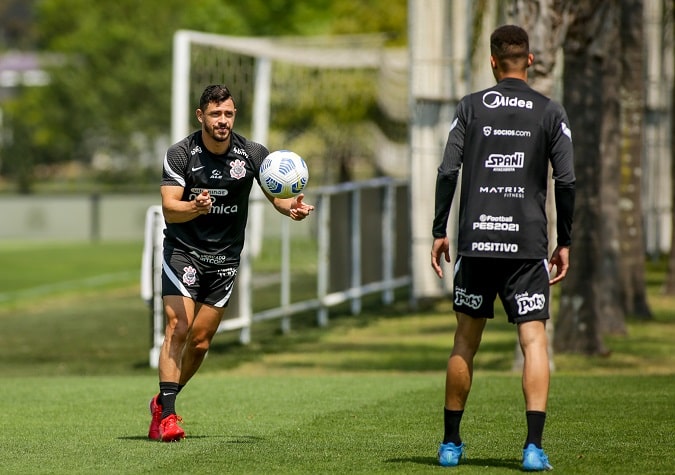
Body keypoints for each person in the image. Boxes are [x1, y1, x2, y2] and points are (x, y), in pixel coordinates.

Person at [430, 25, 575, 471]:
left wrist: (439, 229)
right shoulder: (550, 111)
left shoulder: (470, 107)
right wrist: (564, 241)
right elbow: (566, 181)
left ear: (493, 61)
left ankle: (451, 445)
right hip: (526, 245)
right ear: (528, 60)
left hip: (476, 242)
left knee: (464, 342)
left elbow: (447, 170)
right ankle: (532, 449)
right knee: (533, 342)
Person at [148, 84, 314, 442]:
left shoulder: (253, 153)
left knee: (201, 342)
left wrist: (292, 208)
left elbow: (277, 198)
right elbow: (169, 209)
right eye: (215, 114)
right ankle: (170, 417)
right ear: (201, 116)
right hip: (184, 251)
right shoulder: (181, 155)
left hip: (224, 259)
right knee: (179, 327)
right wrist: (195, 206)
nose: (223, 121)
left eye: (228, 114)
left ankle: (163, 400)